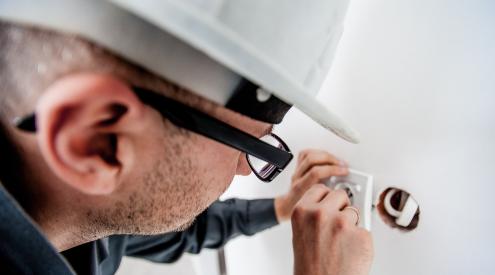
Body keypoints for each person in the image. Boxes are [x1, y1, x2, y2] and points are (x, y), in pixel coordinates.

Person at [0, 1, 373, 275]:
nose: (245, 170)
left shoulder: (84, 214)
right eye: (250, 146)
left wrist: (282, 207)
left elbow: (183, 228)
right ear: (97, 140)